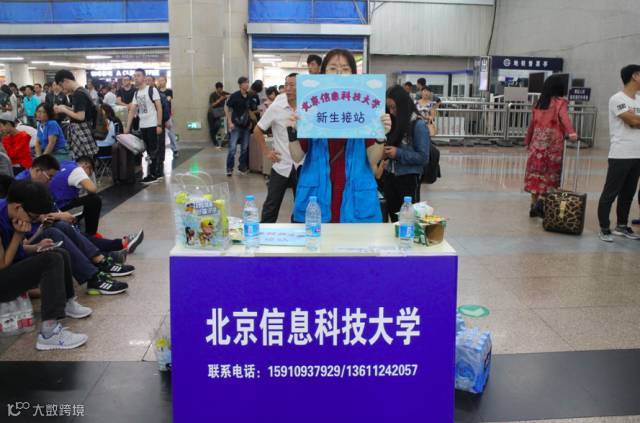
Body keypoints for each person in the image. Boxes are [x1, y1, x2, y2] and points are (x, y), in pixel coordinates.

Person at [289, 49, 392, 223]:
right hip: (318, 199)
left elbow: (373, 159)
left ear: (353, 74)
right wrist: (292, 131)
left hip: (354, 199)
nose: (338, 73)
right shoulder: (311, 108)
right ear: (323, 73)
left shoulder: (364, 109)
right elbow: (297, 156)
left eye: (345, 69)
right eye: (332, 68)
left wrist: (380, 135)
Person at [0, 181, 91, 350]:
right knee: (51, 260)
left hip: (8, 269)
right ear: (18, 207)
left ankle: (67, 302)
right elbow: (3, 265)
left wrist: (36, 247)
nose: (34, 221)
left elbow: (14, 250)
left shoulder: (12, 213)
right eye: (33, 217)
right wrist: (18, 235)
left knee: (59, 253)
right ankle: (49, 333)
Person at [523, 74, 577, 218]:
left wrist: (527, 141)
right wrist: (572, 133)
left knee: (536, 175)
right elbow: (564, 118)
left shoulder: (539, 103)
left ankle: (533, 205)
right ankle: (541, 204)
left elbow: (532, 125)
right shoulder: (560, 102)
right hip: (553, 147)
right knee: (550, 175)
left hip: (536, 146)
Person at [597, 64, 640, 242]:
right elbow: (632, 121)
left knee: (628, 193)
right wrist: (634, 119)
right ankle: (604, 228)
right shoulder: (617, 99)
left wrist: (635, 119)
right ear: (635, 76)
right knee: (610, 193)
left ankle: (621, 226)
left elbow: (635, 120)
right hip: (621, 154)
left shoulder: (639, 99)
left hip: (637, 154)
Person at [255, 73, 302, 223]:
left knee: (301, 207)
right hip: (281, 164)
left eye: (292, 85)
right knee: (271, 206)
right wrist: (266, 152)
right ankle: (264, 233)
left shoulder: (308, 106)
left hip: (302, 164)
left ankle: (298, 232)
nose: (288, 88)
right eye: (286, 84)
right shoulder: (276, 107)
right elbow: (258, 130)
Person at [383, 85, 430, 221]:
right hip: (390, 178)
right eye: (389, 108)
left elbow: (423, 157)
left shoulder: (418, 125)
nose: (392, 111)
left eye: (394, 107)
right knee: (394, 220)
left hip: (408, 180)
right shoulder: (393, 122)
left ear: (403, 104)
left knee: (407, 221)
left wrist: (398, 153)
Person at [124, 69, 164, 183]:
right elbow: (132, 110)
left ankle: (154, 174)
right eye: (134, 76)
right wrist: (127, 127)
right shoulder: (136, 93)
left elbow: (159, 108)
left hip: (152, 124)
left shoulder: (151, 90)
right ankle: (151, 173)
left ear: (144, 77)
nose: (136, 78)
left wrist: (159, 124)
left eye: (138, 75)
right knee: (148, 150)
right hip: (143, 125)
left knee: (153, 150)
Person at [53, 70, 99, 160]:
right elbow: (78, 111)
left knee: (83, 160)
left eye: (61, 85)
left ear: (65, 81)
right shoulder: (82, 90)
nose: (63, 88)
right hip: (85, 129)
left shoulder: (78, 94)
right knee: (86, 160)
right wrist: (66, 107)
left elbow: (80, 116)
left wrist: (64, 110)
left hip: (82, 131)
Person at [225, 77, 256, 176]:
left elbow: (250, 109)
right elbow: (228, 109)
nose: (247, 84)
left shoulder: (249, 95)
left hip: (246, 125)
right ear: (240, 85)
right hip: (236, 125)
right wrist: (230, 122)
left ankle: (242, 167)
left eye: (248, 83)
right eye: (245, 83)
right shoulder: (235, 95)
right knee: (232, 148)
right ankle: (229, 168)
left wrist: (251, 122)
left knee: (244, 148)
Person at [157, 75, 178, 157]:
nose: (161, 82)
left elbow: (168, 100)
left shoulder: (169, 91)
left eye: (162, 80)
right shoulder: (156, 91)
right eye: (159, 80)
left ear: (165, 81)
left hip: (167, 114)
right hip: (158, 115)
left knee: (171, 132)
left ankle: (175, 149)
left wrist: (170, 112)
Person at [208, 82, 228, 149]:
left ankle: (214, 137)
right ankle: (215, 142)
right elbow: (212, 105)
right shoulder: (212, 95)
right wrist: (220, 100)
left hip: (218, 114)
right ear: (216, 88)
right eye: (219, 89)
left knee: (218, 125)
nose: (221, 90)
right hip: (211, 113)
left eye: (221, 88)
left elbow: (231, 95)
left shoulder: (223, 93)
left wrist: (227, 96)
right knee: (212, 128)